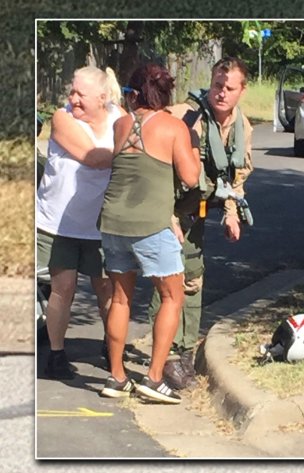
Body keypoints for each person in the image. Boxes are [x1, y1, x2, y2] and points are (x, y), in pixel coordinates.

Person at [147, 56, 254, 389]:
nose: (221, 93)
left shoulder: (243, 127)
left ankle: (182, 354)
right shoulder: (184, 116)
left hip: (197, 213)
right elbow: (155, 166)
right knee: (167, 284)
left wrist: (232, 213)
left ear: (242, 90)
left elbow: (236, 175)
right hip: (167, 211)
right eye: (217, 85)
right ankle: (161, 360)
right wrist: (167, 217)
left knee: (192, 281)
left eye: (229, 88)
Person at [98, 63, 200, 404]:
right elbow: (190, 177)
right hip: (151, 224)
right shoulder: (173, 127)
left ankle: (116, 376)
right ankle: (154, 378)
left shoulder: (120, 125)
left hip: (112, 221)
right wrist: (193, 146)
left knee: (121, 297)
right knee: (173, 295)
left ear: (134, 94)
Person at [36, 66, 124, 380]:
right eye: (71, 92)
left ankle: (113, 348)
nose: (72, 98)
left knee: (107, 289)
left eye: (80, 94)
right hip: (59, 223)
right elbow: (93, 157)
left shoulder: (119, 119)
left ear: (102, 98)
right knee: (63, 289)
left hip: (101, 224)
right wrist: (130, 150)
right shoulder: (62, 119)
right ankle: (56, 356)